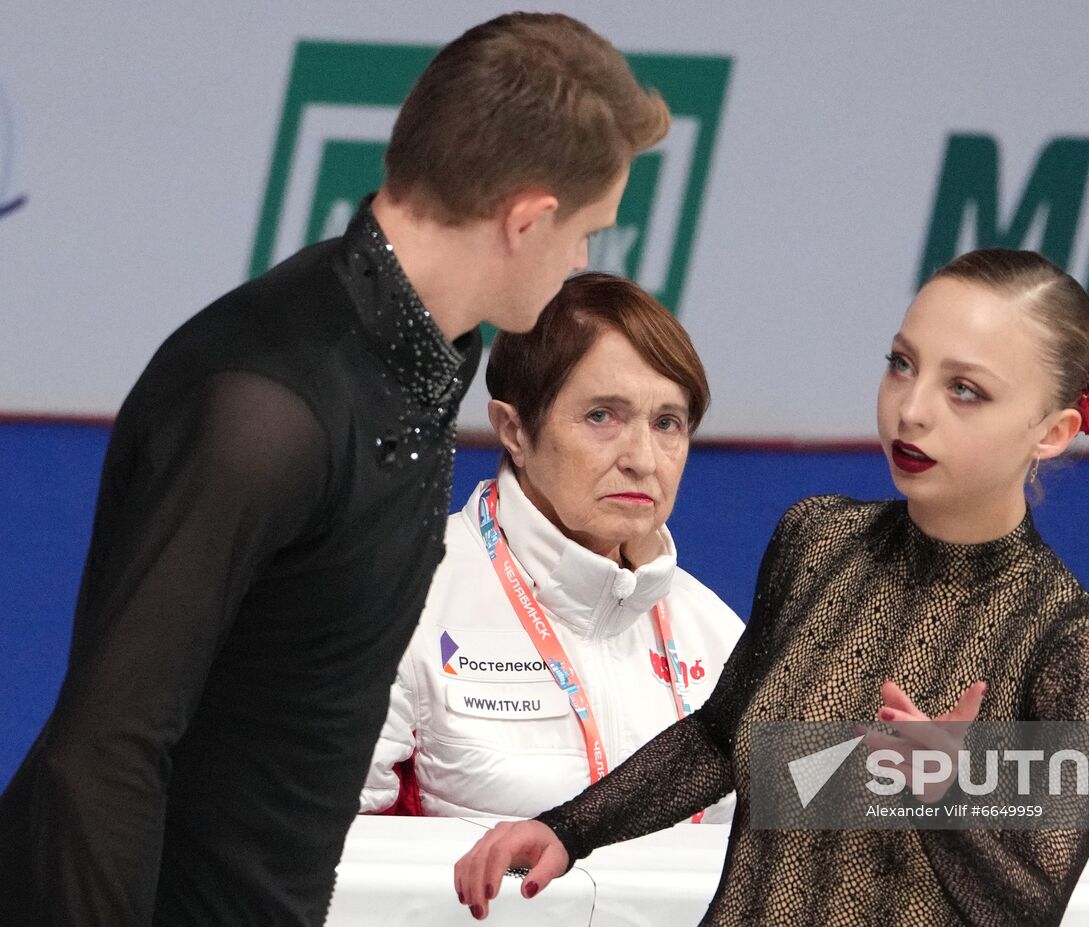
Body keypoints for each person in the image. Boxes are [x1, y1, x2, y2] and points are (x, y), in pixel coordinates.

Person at [0, 13, 669, 926]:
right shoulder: (264, 405)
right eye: (591, 231)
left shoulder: (416, 361)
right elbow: (99, 757)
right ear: (528, 219)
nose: (585, 261)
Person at [453, 248, 1089, 925]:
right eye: (902, 365)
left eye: (964, 389)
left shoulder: (1077, 648)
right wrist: (569, 830)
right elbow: (719, 741)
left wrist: (947, 798)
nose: (912, 410)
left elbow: (1032, 905)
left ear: (1053, 433)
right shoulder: (818, 538)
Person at [360, 273, 742, 821]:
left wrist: (909, 763)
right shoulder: (397, 599)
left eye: (667, 423)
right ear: (514, 431)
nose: (643, 458)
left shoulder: (720, 635)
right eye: (601, 416)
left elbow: (840, 812)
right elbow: (305, 850)